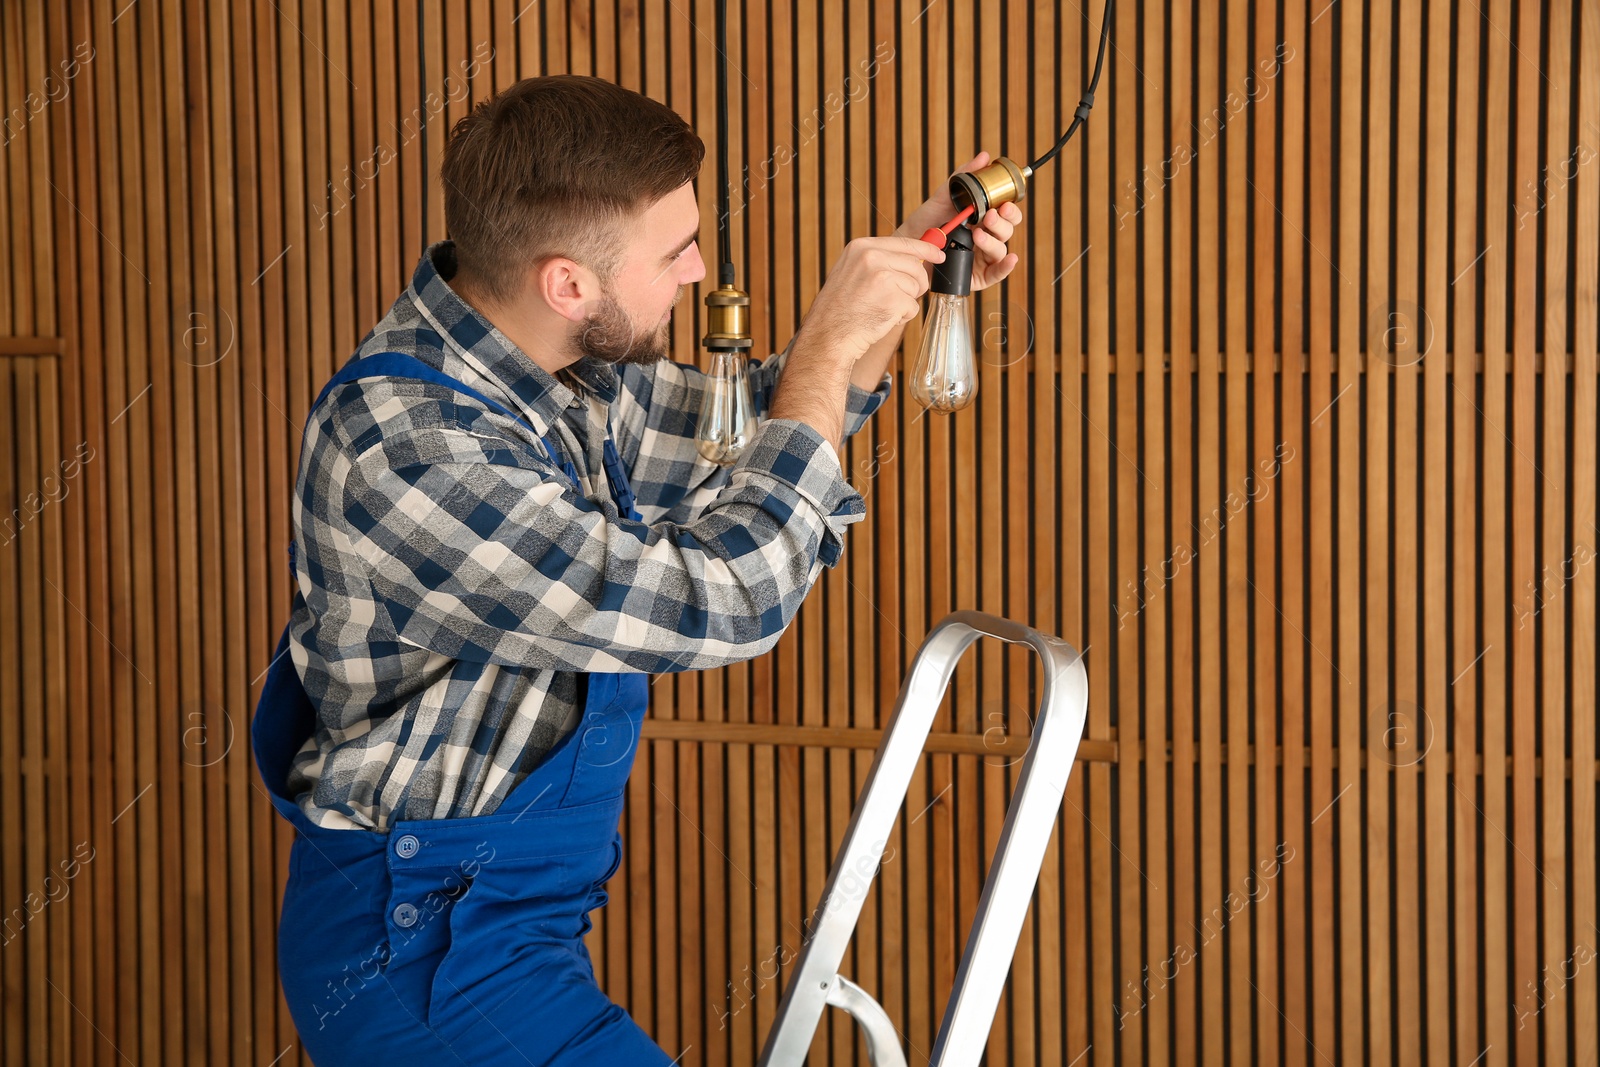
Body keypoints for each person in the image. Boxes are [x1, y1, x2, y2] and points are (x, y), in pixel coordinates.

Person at [251, 73, 1021, 1064]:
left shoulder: (554, 373)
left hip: (504, 921)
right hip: (419, 945)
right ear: (569, 282)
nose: (698, 270)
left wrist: (904, 273)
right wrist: (829, 347)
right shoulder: (409, 443)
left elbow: (746, 438)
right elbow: (730, 598)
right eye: (675, 251)